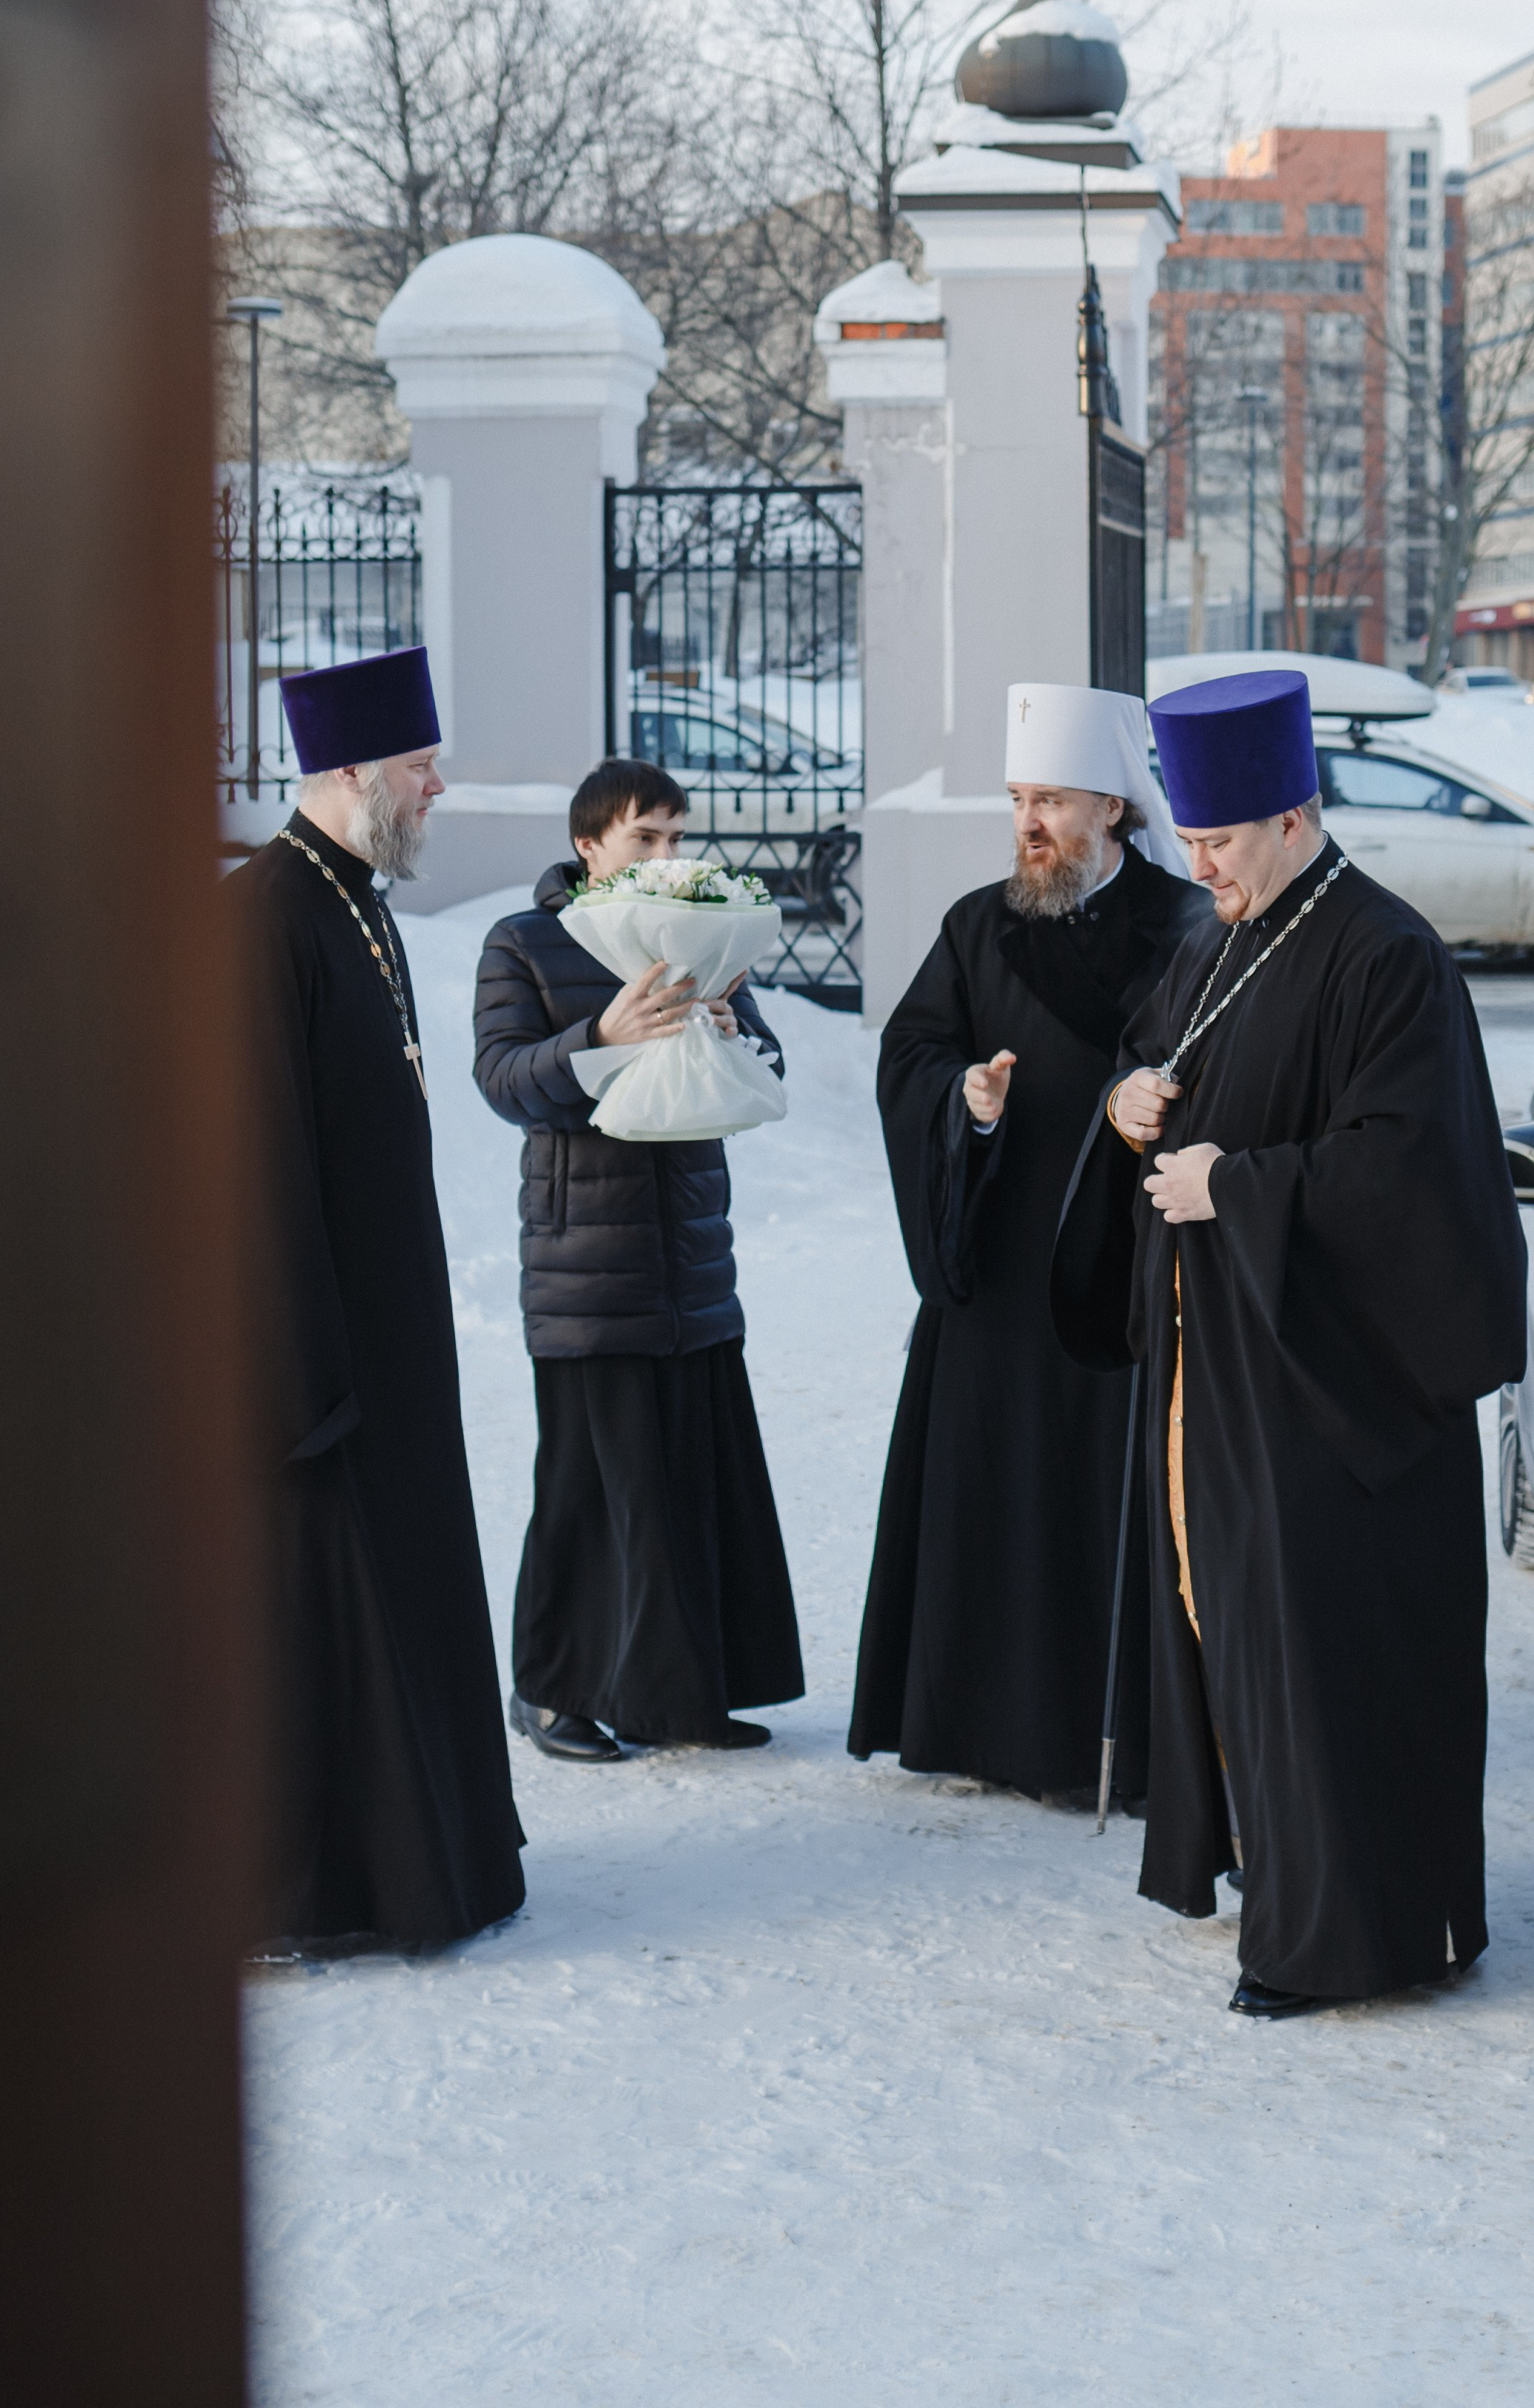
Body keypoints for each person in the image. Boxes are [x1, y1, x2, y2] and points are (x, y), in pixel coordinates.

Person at [1053, 670, 1526, 2018]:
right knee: (1234, 1627)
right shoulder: (1227, 931)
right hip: (1224, 1365)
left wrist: (1235, 1188)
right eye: (1190, 842)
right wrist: (1132, 1103)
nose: (1195, 867)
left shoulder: (1387, 954)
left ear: (1295, 817)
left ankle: (1356, 1931)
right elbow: (1172, 1050)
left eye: (1217, 842)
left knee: (1326, 1647)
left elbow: (1413, 1168)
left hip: (1338, 1386)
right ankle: (1277, 1866)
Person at [849, 683, 1207, 1804]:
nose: (1029, 823)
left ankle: (1125, 1737)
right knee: (1000, 1502)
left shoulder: (1187, 927)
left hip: (1125, 1277)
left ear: (1111, 803)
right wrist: (965, 1100)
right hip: (1002, 1275)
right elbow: (910, 1054)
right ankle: (989, 1731)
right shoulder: (978, 926)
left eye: (1049, 798)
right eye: (1017, 799)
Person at [233, 647, 525, 1952]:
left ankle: (437, 1858)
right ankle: (319, 1893)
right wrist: (299, 1377)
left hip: (389, 1334)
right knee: (323, 1627)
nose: (438, 783)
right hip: (320, 1359)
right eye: (419, 765)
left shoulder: (358, 900)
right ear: (350, 771)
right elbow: (253, 1160)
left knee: (410, 1595)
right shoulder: (264, 920)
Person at [472, 759, 803, 1758]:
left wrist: (734, 1023)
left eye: (674, 835)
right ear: (590, 849)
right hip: (587, 1264)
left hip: (693, 1257)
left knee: (690, 1485)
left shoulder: (699, 936)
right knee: (586, 1488)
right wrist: (600, 1035)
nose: (667, 856)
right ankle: (550, 1693)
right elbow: (502, 1078)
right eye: (644, 839)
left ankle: (680, 1700)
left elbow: (773, 1066)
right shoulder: (525, 941)